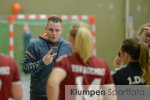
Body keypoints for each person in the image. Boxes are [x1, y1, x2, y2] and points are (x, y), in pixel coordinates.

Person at [47, 25, 116, 100]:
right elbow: (111, 97)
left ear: (70, 38)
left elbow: (52, 84)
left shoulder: (65, 62)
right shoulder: (103, 65)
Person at [22, 15, 72, 100]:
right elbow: (25, 68)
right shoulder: (35, 45)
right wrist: (42, 63)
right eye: (51, 30)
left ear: (62, 30)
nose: (54, 33)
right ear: (46, 28)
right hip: (38, 96)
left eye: (57, 30)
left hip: (62, 95)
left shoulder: (68, 47)